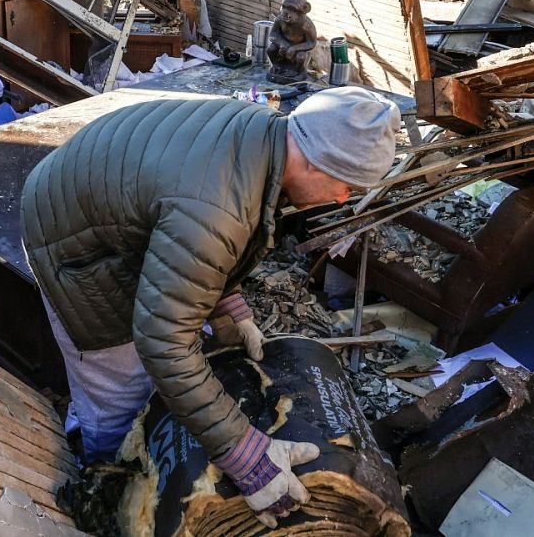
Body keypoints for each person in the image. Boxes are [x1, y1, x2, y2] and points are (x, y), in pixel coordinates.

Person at [21, 87, 401, 528]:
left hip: (106, 208)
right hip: (75, 247)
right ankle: (105, 489)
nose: (341, 199)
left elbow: (193, 243)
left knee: (163, 367)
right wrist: (244, 454)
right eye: (346, 186)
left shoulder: (262, 137)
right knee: (118, 390)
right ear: (317, 159)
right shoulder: (216, 205)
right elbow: (164, 342)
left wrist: (229, 306)